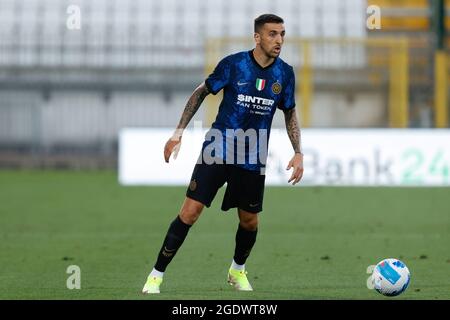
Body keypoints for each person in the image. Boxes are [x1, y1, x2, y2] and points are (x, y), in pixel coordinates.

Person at [142, 14, 303, 294]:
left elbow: (289, 111)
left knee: (249, 221)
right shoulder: (234, 65)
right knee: (190, 213)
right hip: (218, 148)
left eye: (282, 34)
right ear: (257, 37)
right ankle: (155, 275)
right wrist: (178, 132)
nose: (279, 40)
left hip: (253, 155)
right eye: (273, 34)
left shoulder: (285, 74)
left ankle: (237, 270)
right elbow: (201, 92)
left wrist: (298, 152)